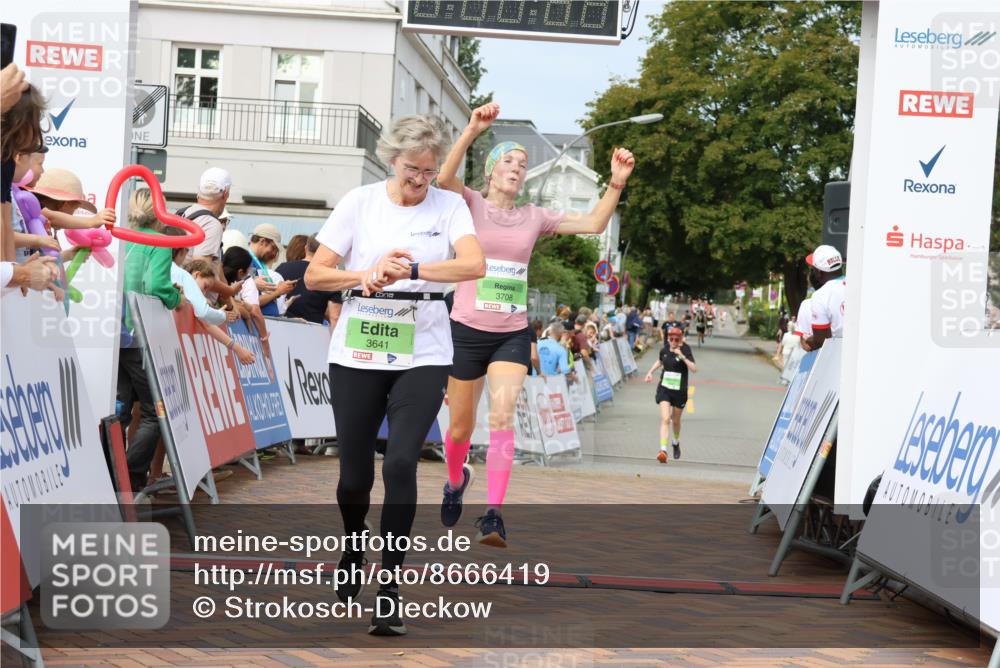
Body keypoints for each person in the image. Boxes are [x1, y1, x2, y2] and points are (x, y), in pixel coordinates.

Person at [304, 115, 484, 636]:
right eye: (412, 170)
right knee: (354, 477)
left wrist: (413, 271)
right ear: (392, 159)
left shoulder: (449, 207)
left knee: (402, 463)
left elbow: (473, 266)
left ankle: (390, 586)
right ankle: (354, 545)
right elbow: (316, 274)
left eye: (429, 171)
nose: (421, 180)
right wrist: (365, 273)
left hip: (423, 351)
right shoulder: (359, 202)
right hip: (359, 348)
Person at [434, 101, 634, 548]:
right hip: (466, 328)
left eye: (523, 163)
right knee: (461, 430)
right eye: (508, 159)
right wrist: (471, 130)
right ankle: (454, 481)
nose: (517, 167)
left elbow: (594, 221)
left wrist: (616, 184)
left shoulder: (533, 217)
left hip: (511, 332)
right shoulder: (469, 205)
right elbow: (444, 179)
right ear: (490, 171)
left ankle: (493, 516)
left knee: (503, 416)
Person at [117, 189, 184, 491]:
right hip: (138, 334)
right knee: (153, 412)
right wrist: (175, 298)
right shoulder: (157, 243)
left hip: (109, 335)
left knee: (116, 409)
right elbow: (156, 284)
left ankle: (109, 471)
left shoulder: (119, 236)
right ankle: (129, 477)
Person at [644, 326, 697, 462]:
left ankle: (675, 442)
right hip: (665, 388)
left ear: (680, 339)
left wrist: (682, 357)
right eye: (670, 338)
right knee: (666, 419)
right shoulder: (665, 349)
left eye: (676, 339)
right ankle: (663, 450)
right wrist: (650, 372)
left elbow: (694, 369)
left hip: (680, 391)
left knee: (676, 421)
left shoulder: (685, 349)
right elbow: (660, 360)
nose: (673, 341)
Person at [275, 234, 343, 329]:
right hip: (312, 332)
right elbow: (334, 317)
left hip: (280, 327)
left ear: (306, 248)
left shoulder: (282, 268)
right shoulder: (330, 277)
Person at [180, 167, 232, 262]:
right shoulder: (211, 224)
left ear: (199, 192)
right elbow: (201, 271)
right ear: (225, 194)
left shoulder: (183, 213)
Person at [804, 245, 846, 350]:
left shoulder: (820, 296)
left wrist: (809, 341)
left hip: (839, 355)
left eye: (813, 269)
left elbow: (820, 340)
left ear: (818, 272)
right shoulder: (859, 284)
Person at [249, 223, 295, 316]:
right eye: (273, 248)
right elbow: (251, 300)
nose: (274, 253)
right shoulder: (248, 261)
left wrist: (278, 290)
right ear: (262, 241)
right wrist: (278, 291)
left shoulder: (258, 263)